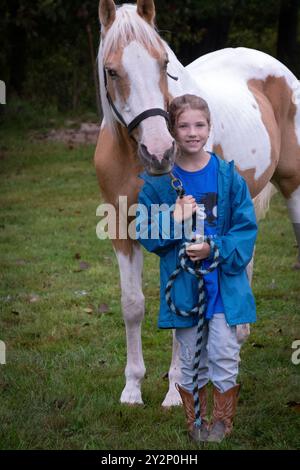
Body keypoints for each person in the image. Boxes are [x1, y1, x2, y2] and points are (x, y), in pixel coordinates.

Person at [136, 94, 257, 443]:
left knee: (223, 352)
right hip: (185, 290)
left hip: (224, 287)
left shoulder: (228, 176)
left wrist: (213, 249)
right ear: (172, 130)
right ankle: (196, 421)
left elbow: (245, 229)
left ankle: (221, 422)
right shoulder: (159, 185)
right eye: (184, 126)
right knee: (189, 358)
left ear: (209, 127)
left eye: (199, 125)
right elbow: (146, 234)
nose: (192, 132)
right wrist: (174, 219)